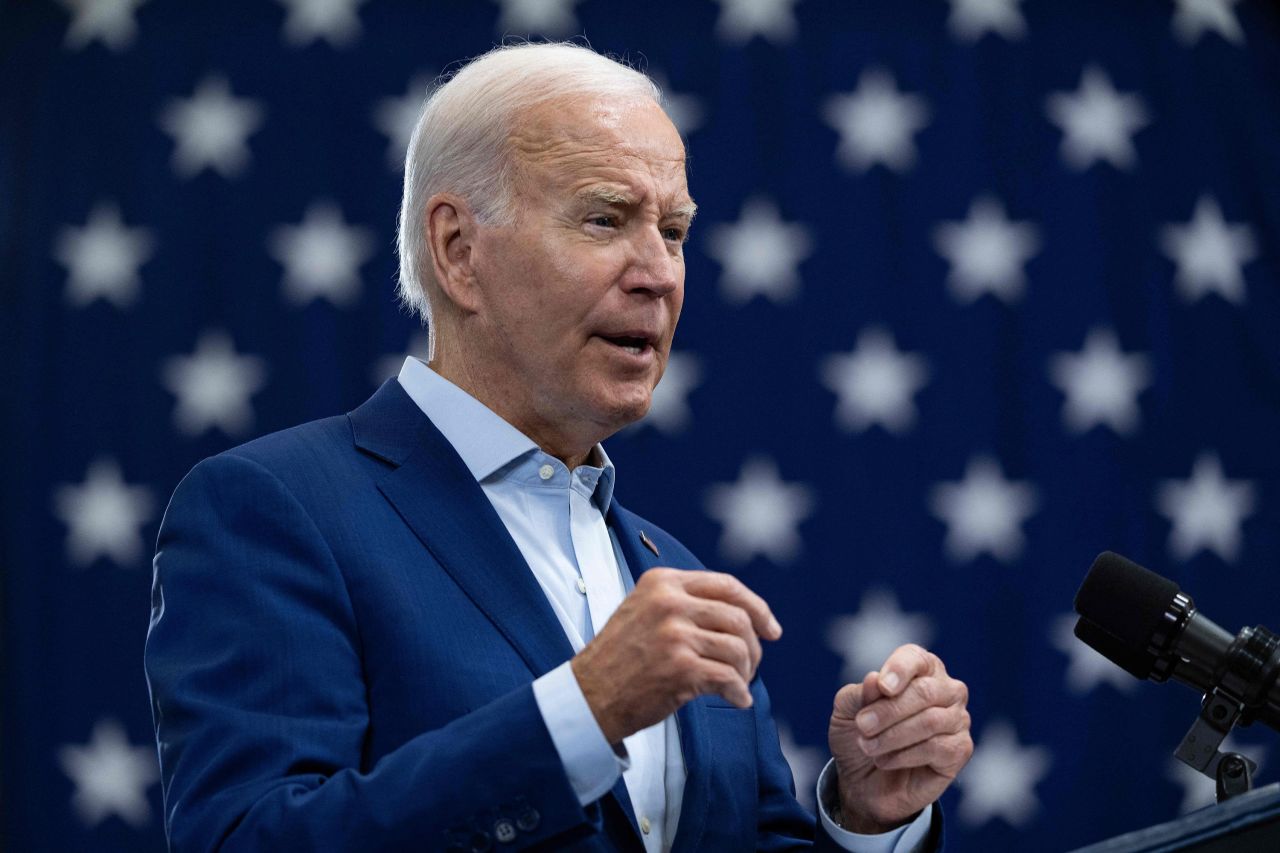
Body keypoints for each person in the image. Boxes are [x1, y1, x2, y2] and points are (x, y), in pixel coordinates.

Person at [144, 42, 972, 852]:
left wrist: (864, 820)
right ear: (457, 251)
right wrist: (583, 710)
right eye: (606, 218)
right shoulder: (277, 510)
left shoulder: (668, 568)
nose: (660, 273)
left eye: (676, 231)